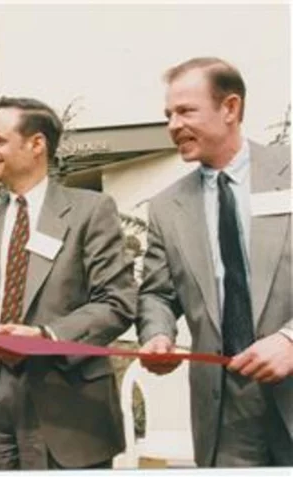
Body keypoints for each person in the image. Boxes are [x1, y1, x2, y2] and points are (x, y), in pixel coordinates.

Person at [0, 97, 136, 470]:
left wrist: (46, 337)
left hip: (69, 409)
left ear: (36, 145)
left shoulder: (91, 211)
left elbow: (117, 303)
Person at [137, 57, 292, 466]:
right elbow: (156, 291)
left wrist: (291, 340)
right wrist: (157, 334)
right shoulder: (167, 207)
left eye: (185, 111)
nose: (172, 125)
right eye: (168, 114)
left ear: (230, 108)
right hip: (225, 413)